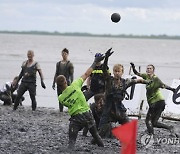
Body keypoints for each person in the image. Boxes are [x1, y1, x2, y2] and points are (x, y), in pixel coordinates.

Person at [56, 52, 105, 150]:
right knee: (95, 135)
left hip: (76, 118)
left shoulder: (61, 98)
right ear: (66, 81)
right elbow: (87, 74)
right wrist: (95, 62)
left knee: (72, 141)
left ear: (58, 85)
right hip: (87, 115)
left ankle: (70, 150)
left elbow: (69, 104)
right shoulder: (75, 85)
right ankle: (102, 147)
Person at [98, 50, 151, 137]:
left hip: (119, 106)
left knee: (128, 125)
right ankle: (98, 137)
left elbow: (138, 80)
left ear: (122, 72)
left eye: (119, 71)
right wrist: (106, 57)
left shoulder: (125, 82)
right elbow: (103, 69)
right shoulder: (109, 80)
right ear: (113, 72)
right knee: (102, 128)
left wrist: (148, 82)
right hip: (108, 105)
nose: (117, 73)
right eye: (115, 71)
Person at [130, 62, 177, 136]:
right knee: (154, 122)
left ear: (153, 70)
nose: (148, 70)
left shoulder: (156, 79)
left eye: (150, 69)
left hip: (157, 102)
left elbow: (163, 85)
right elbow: (137, 73)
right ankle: (170, 127)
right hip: (157, 103)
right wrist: (133, 67)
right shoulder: (146, 76)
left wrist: (172, 89)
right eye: (147, 69)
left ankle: (151, 135)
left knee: (147, 120)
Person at [52, 48, 74, 112]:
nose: (64, 55)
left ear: (67, 54)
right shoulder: (58, 64)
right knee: (60, 97)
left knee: (69, 97)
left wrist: (72, 83)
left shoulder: (70, 64)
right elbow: (56, 73)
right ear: (61, 54)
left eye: (65, 54)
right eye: (63, 53)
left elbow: (71, 75)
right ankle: (61, 110)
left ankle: (70, 109)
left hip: (66, 83)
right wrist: (54, 83)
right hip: (59, 83)